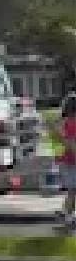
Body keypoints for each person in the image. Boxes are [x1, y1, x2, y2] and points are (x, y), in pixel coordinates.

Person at [53, 93, 76, 226]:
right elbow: (71, 143)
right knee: (73, 190)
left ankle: (65, 213)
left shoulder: (64, 122)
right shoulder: (73, 123)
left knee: (72, 190)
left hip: (64, 161)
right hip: (71, 161)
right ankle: (67, 216)